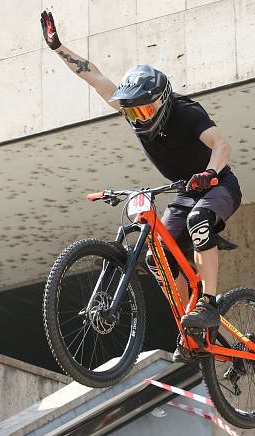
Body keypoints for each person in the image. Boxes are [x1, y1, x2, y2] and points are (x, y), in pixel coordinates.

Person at [40, 11, 242, 334]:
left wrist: (209, 173)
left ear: (162, 102)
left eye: (145, 110)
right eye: (132, 112)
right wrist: (58, 48)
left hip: (220, 186)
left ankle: (209, 304)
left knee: (198, 221)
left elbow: (222, 146)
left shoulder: (186, 113)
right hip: (185, 192)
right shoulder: (135, 114)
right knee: (154, 257)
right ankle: (189, 320)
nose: (139, 118)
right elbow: (94, 76)